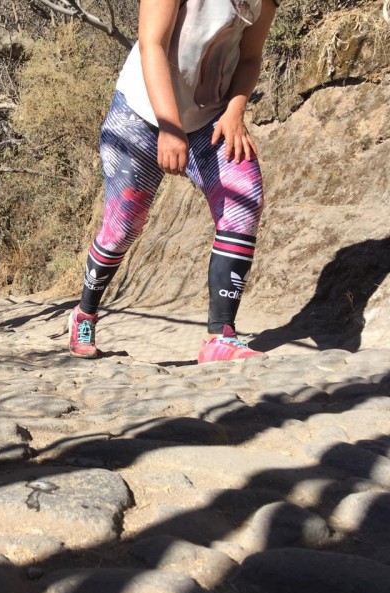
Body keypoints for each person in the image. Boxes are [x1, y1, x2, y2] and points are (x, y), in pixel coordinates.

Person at [69, 0, 278, 362]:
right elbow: (152, 43)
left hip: (210, 116)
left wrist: (235, 110)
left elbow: (250, 57)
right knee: (123, 228)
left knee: (244, 196)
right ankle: (84, 313)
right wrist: (169, 126)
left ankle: (220, 337)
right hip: (141, 113)